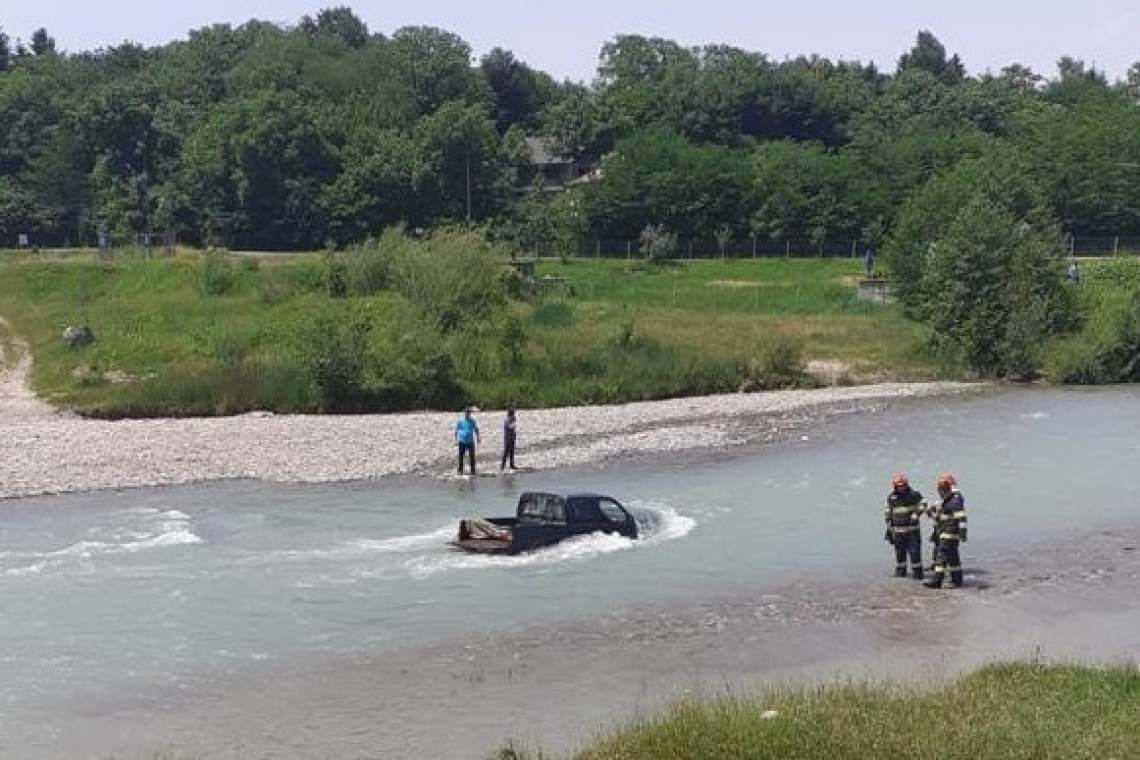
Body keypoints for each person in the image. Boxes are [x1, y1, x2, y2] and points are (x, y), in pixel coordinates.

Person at [924, 472, 968, 588]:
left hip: (948, 533)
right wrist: (933, 513)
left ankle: (937, 581)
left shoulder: (954, 500)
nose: (940, 493)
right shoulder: (950, 500)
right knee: (953, 558)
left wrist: (963, 533)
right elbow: (944, 515)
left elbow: (961, 517)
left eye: (940, 490)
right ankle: (957, 580)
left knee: (941, 557)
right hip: (947, 532)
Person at [883, 473, 925, 579]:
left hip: (912, 531)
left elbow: (923, 504)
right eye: (899, 486)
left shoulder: (913, 494)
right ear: (895, 486)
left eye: (903, 485)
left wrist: (917, 513)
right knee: (900, 553)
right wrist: (889, 527)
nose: (901, 488)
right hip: (897, 531)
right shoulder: (891, 497)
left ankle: (918, 574)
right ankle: (901, 573)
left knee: (915, 553)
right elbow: (888, 511)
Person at [455, 407, 480, 475]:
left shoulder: (472, 421)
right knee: (461, 456)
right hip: (462, 441)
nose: (468, 414)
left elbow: (476, 429)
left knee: (472, 456)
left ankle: (473, 470)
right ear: (464, 413)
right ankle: (460, 470)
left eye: (469, 413)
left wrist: (478, 438)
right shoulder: (460, 421)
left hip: (470, 441)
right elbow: (456, 430)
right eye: (466, 413)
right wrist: (456, 440)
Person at [500, 407, 518, 472]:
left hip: (512, 437)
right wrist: (513, 422)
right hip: (507, 438)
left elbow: (514, 429)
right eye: (513, 414)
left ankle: (512, 465)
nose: (514, 415)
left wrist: (515, 435)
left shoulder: (512, 420)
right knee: (506, 452)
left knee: (512, 452)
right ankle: (502, 466)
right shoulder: (507, 420)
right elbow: (510, 427)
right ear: (510, 414)